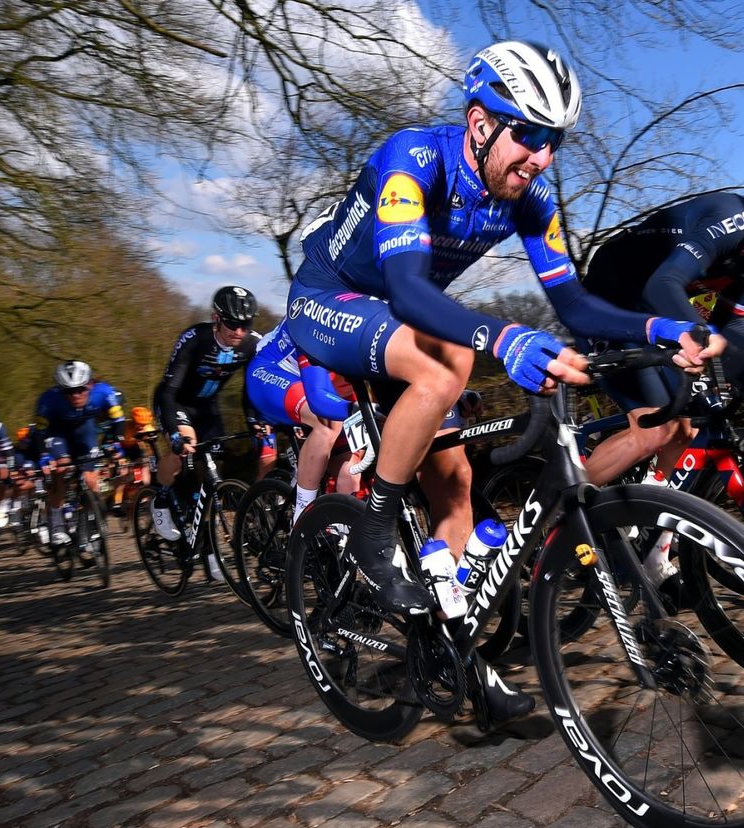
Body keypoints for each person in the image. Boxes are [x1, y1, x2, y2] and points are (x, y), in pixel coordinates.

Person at [284, 39, 713, 725]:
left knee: (458, 503)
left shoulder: (530, 200)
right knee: (449, 359)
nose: (542, 158)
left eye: (555, 141)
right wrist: (504, 337)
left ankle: (456, 661)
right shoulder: (412, 160)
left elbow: (573, 305)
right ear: (480, 122)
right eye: (530, 135)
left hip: (399, 328)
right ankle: (373, 525)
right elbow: (406, 291)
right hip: (327, 303)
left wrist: (662, 332)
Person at [579, 192, 738, 486]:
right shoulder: (733, 221)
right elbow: (661, 286)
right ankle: (555, 517)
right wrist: (707, 341)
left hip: (654, 316)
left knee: (686, 432)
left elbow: (732, 326)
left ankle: (652, 522)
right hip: (609, 301)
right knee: (653, 432)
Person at [151, 286, 262, 550]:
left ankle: (207, 540)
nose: (239, 332)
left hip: (208, 408)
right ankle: (161, 499)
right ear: (216, 318)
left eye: (245, 325)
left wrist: (253, 420)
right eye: (232, 324)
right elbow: (169, 391)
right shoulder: (195, 338)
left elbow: (251, 390)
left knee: (212, 474)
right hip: (176, 401)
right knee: (183, 451)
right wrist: (176, 436)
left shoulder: (251, 344)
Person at [246, 317, 360, 522]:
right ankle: (302, 517)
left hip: (317, 380)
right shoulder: (317, 319)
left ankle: (342, 533)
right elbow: (320, 398)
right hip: (272, 373)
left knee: (351, 468)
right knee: (328, 424)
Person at [35, 361, 126, 545]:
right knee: (61, 470)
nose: (76, 395)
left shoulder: (104, 393)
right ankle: (57, 525)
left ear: (90, 384)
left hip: (85, 432)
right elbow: (39, 433)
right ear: (61, 390)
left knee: (92, 481)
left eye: (81, 389)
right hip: (58, 433)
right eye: (70, 391)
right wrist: (44, 456)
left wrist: (116, 443)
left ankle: (87, 527)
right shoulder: (49, 399)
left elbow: (119, 421)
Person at [0, 409, 16, 533]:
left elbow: (7, 449)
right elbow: (8, 450)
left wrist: (10, 467)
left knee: (7, 478)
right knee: (7, 478)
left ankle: (2, 507)